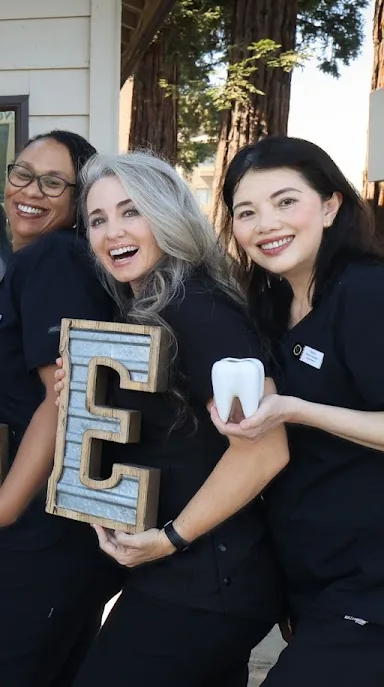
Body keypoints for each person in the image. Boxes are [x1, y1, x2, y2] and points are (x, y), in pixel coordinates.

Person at [65, 151, 288, 686]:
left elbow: (265, 449)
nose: (113, 232)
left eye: (131, 211)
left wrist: (171, 538)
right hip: (187, 576)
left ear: (167, 215)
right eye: (97, 219)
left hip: (208, 577)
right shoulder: (149, 308)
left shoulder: (198, 308)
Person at [0, 131, 123, 687]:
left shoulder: (53, 259)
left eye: (53, 183)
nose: (31, 191)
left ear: (79, 199)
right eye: (22, 174)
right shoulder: (40, 262)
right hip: (52, 536)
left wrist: (2, 510)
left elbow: (63, 398)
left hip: (30, 535)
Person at [215, 136, 384, 685]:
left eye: (285, 201)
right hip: (313, 577)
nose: (266, 223)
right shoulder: (269, 306)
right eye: (247, 211)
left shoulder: (366, 292)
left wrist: (295, 410)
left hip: (370, 583)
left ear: (331, 206)